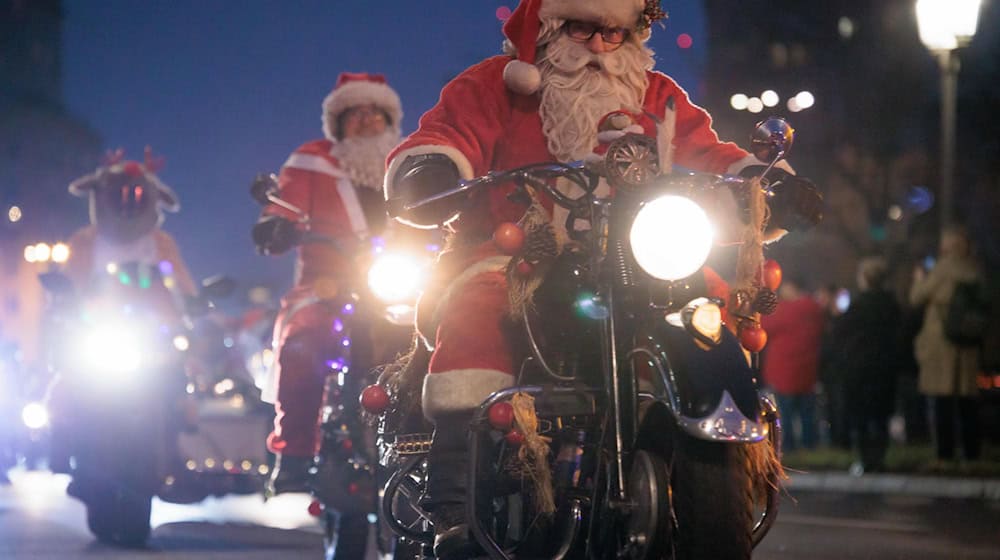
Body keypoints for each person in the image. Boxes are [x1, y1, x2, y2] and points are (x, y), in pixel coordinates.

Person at [383, 1, 820, 556]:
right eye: (582, 28)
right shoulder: (497, 84)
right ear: (548, 28)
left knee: (708, 301)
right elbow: (448, 134)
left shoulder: (653, 93)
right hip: (518, 253)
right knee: (478, 309)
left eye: (613, 33)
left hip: (634, 255)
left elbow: (709, 151)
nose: (598, 45)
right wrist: (432, 168)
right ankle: (455, 509)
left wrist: (764, 183)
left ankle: (706, 455)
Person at [251, 72, 404, 493]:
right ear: (337, 123)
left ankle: (447, 452)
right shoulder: (311, 159)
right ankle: (295, 453)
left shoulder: (407, 162)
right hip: (327, 286)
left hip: (400, 284)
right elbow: (286, 203)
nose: (366, 121)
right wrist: (275, 225)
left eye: (375, 113)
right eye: (354, 114)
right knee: (303, 341)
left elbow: (435, 208)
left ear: (390, 120)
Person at [909, 225, 984, 462]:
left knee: (942, 400)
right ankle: (971, 452)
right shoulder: (975, 269)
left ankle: (945, 453)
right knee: (967, 401)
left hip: (942, 342)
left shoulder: (943, 269)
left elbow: (917, 298)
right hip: (968, 342)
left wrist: (919, 279)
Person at [832, 257, 902, 472]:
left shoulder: (858, 306)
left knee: (860, 415)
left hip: (859, 367)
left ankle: (864, 459)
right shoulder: (892, 305)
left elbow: (840, 332)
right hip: (885, 365)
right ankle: (879, 459)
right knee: (881, 415)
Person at [760, 275, 825, 452]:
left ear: (791, 287)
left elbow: (764, 324)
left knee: (786, 414)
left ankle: (788, 447)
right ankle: (810, 445)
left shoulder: (784, 310)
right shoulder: (815, 309)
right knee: (807, 413)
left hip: (784, 372)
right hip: (808, 370)